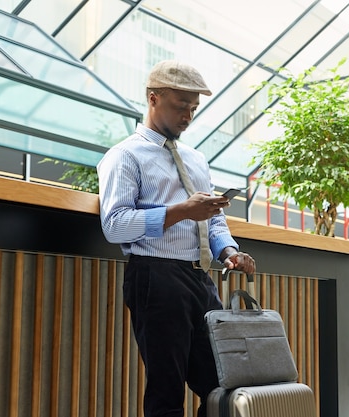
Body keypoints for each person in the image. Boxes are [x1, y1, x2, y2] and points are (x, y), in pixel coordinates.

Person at [97, 60, 256, 417]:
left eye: (194, 108)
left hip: (199, 278)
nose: (188, 115)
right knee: (166, 390)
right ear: (153, 99)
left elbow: (213, 219)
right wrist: (182, 211)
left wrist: (229, 251)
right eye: (181, 105)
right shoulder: (124, 156)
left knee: (221, 385)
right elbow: (115, 226)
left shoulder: (197, 160)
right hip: (154, 276)